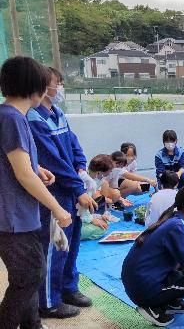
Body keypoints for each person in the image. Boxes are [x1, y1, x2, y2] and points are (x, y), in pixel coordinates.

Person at [0, 56, 73, 329]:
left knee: (29, 275)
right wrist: (58, 208)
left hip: (18, 216)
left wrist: (38, 166)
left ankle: (33, 325)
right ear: (35, 86)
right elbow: (22, 174)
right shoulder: (12, 119)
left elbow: (16, 161)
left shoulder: (10, 115)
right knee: (30, 276)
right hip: (13, 217)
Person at [27, 66, 98, 318]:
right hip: (54, 192)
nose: (61, 88)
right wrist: (78, 188)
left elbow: (74, 145)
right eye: (58, 83)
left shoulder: (58, 114)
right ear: (45, 87)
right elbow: (53, 161)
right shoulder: (33, 118)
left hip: (70, 188)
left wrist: (81, 167)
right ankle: (48, 301)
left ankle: (68, 287)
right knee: (56, 246)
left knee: (73, 242)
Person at [122, 187, 184, 326]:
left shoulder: (173, 220)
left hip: (138, 280)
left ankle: (172, 301)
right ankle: (154, 305)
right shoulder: (178, 226)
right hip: (145, 288)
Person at [79, 155, 118, 241]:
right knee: (101, 229)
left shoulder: (83, 175)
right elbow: (81, 208)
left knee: (102, 221)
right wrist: (92, 219)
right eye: (105, 175)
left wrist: (97, 217)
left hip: (75, 216)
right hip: (71, 222)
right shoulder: (88, 183)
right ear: (99, 173)